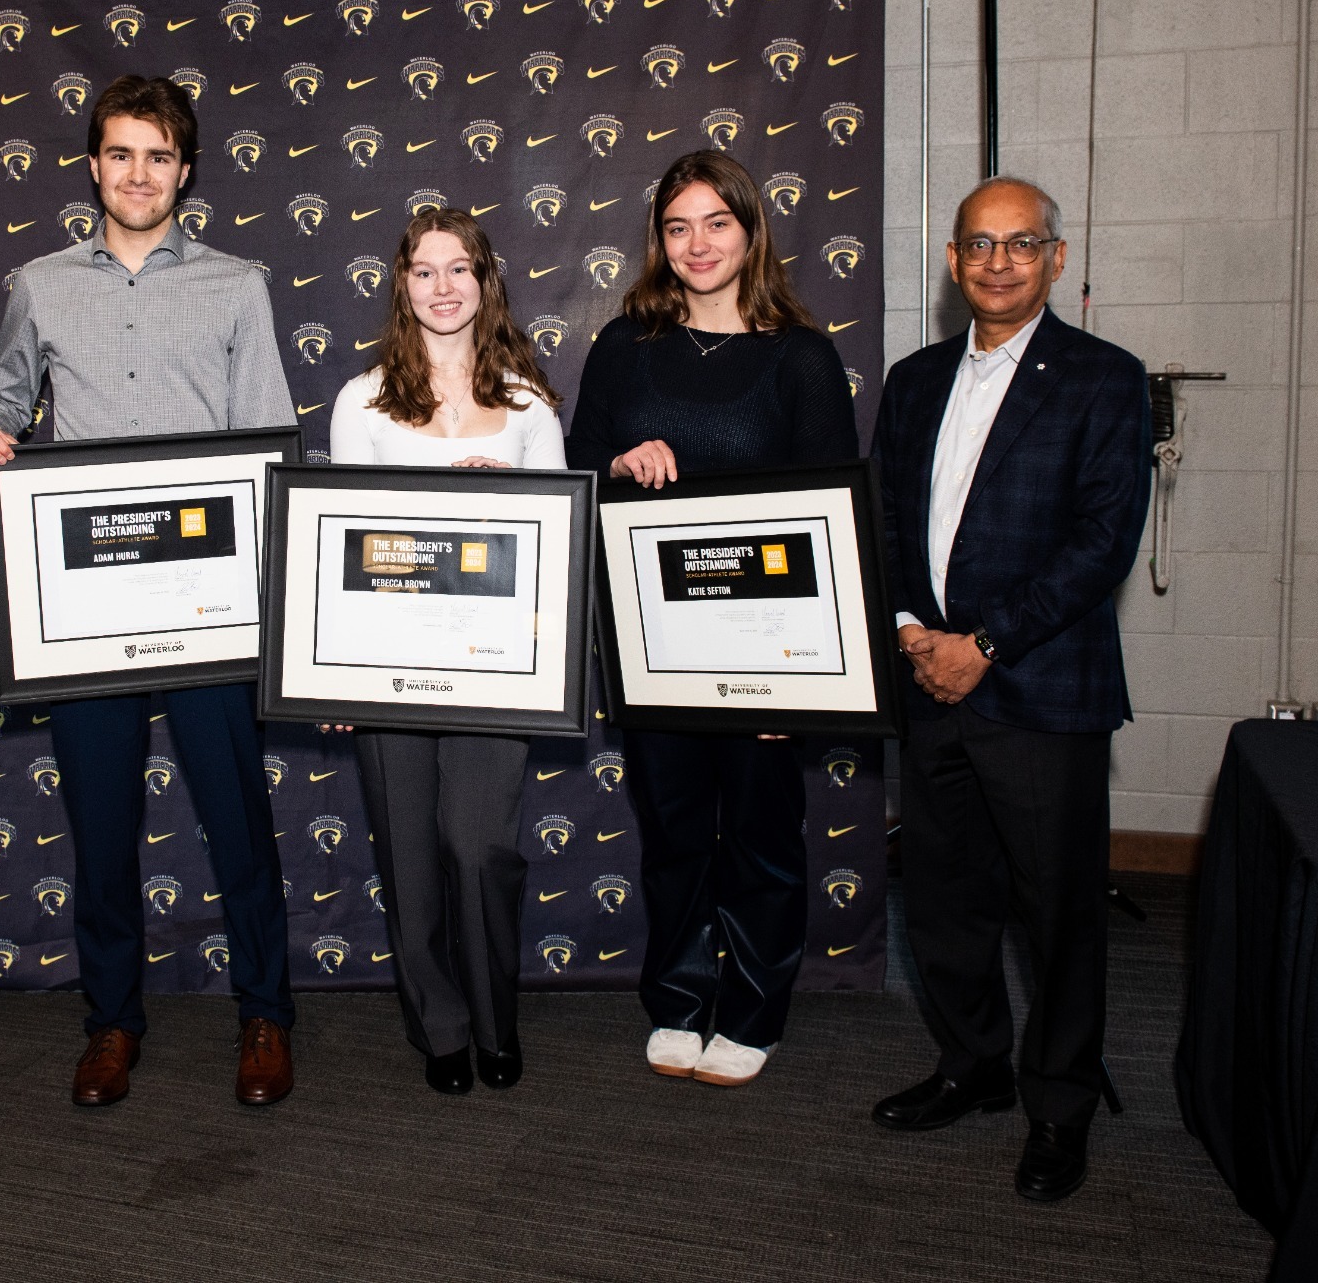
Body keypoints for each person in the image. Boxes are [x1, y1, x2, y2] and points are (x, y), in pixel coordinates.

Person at [0, 75, 297, 1108]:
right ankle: (110, 1022)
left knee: (238, 823)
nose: (137, 174)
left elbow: (269, 447)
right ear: (93, 165)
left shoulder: (238, 284)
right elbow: (3, 395)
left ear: (184, 171)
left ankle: (265, 1015)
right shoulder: (39, 283)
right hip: (89, 609)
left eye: (157, 155)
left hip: (207, 605)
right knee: (99, 828)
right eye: (119, 154)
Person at [869, 176, 1150, 1203]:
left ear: (1055, 258)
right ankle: (971, 1064)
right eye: (977, 246)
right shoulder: (911, 381)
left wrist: (982, 641)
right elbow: (886, 527)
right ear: (951, 262)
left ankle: (1058, 1107)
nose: (996, 262)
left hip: (1038, 690)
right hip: (927, 686)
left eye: (1019, 243)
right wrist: (910, 632)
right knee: (942, 903)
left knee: (1054, 915)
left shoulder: (1103, 379)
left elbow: (1099, 543)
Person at [565, 149, 857, 1087]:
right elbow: (579, 462)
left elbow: (833, 518)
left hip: (767, 644)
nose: (697, 244)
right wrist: (619, 462)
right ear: (659, 239)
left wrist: (807, 677)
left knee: (764, 832)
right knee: (676, 828)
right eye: (678, 225)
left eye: (716, 222)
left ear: (749, 230)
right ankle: (680, 999)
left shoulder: (803, 356)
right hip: (654, 640)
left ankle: (757, 1008)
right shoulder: (626, 345)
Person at [326, 209, 564, 1095]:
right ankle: (442, 1028)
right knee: (411, 858)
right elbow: (344, 546)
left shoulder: (530, 404)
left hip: (496, 663)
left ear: (486, 278)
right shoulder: (363, 400)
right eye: (424, 271)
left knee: (478, 848)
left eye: (459, 268)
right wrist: (339, 668)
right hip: (389, 661)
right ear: (402, 284)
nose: (443, 287)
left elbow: (557, 551)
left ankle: (498, 1020)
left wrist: (516, 502)